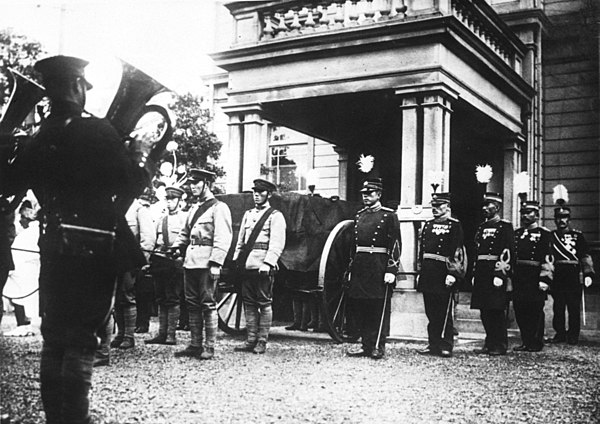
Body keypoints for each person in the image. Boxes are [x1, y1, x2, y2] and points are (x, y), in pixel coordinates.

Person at [3, 55, 141, 423]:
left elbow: (11, 182)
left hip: (53, 244)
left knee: (55, 338)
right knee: (82, 340)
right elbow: (128, 184)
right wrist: (139, 157)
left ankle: (56, 418)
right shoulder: (98, 130)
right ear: (79, 86)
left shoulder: (39, 136)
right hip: (96, 246)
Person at [171, 169, 232, 360]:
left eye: (197, 183)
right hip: (191, 262)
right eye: (191, 183)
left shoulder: (219, 207)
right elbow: (185, 232)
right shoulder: (193, 208)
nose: (193, 187)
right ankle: (195, 344)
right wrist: (177, 247)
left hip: (207, 262)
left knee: (207, 303)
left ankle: (209, 347)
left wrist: (216, 263)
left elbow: (223, 237)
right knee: (192, 304)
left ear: (207, 184)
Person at [346, 178, 400, 360]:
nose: (366, 196)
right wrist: (351, 269)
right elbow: (353, 246)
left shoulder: (389, 215)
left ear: (379, 195)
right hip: (361, 266)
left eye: (370, 193)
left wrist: (391, 270)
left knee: (378, 306)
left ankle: (378, 345)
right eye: (364, 194)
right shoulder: (359, 215)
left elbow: (396, 245)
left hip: (379, 265)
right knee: (362, 306)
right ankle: (365, 344)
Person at [233, 178, 286, 354]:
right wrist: (237, 260)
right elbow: (241, 241)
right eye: (255, 192)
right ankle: (250, 340)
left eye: (261, 192)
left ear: (268, 194)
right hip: (247, 265)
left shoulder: (275, 216)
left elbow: (277, 243)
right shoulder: (248, 214)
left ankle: (262, 341)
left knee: (264, 302)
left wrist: (268, 263)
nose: (257, 195)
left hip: (263, 265)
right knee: (248, 303)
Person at [417, 192, 465, 358]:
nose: (435, 209)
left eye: (439, 206)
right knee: (431, 311)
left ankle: (446, 345)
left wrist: (452, 273)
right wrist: (419, 271)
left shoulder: (454, 225)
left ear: (447, 207)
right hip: (428, 271)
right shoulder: (427, 225)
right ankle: (433, 343)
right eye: (433, 206)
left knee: (444, 311)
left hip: (443, 272)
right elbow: (421, 251)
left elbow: (457, 250)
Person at [470, 192, 515, 356]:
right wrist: (475, 272)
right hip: (482, 272)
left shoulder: (505, 226)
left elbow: (508, 252)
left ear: (497, 207)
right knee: (484, 310)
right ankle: (489, 343)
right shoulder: (481, 227)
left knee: (496, 310)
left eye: (488, 205)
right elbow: (477, 251)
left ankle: (500, 344)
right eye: (484, 205)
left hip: (496, 272)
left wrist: (501, 274)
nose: (484, 208)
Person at [111, 192, 156, 349]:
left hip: (130, 261)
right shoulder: (113, 207)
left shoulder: (138, 210)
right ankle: (120, 333)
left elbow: (148, 238)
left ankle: (129, 336)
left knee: (128, 296)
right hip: (112, 259)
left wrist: (142, 262)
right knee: (116, 298)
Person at [145, 186, 187, 345]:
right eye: (167, 199)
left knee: (173, 298)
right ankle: (161, 334)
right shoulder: (161, 219)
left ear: (180, 201)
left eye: (173, 199)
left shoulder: (185, 219)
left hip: (174, 262)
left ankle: (171, 335)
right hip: (160, 261)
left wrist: (179, 254)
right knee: (160, 298)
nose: (169, 203)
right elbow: (155, 240)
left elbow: (187, 240)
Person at [549, 203, 595, 345]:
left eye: (564, 217)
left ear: (569, 219)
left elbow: (585, 256)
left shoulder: (577, 236)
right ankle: (560, 333)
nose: (561, 221)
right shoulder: (551, 236)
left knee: (573, 306)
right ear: (555, 220)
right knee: (558, 306)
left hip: (573, 275)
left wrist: (588, 274)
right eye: (558, 218)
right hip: (557, 274)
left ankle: (573, 334)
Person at [512, 200, 553, 352]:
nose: (525, 216)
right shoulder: (516, 234)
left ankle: (535, 342)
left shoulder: (544, 234)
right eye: (523, 213)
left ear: (537, 215)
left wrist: (545, 279)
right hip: (519, 276)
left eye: (529, 213)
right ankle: (525, 340)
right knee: (520, 309)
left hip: (535, 277)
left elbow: (548, 258)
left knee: (535, 310)